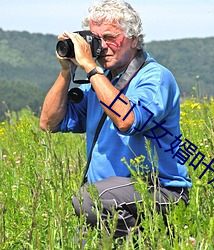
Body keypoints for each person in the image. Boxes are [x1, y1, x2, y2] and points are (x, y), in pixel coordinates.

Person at [40, 0, 192, 244]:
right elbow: (49, 123)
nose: (102, 47)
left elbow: (127, 120)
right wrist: (66, 70)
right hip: (110, 199)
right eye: (96, 39)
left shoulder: (154, 77)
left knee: (88, 200)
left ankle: (146, 241)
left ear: (133, 39)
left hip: (160, 191)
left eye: (110, 37)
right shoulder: (99, 82)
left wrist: (90, 67)